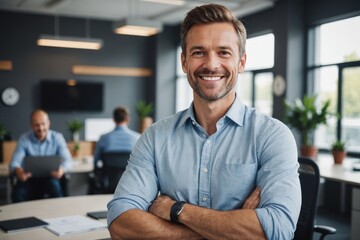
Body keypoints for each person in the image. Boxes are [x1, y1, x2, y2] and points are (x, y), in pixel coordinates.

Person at [107, 4, 301, 240]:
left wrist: (177, 210)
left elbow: (278, 228)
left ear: (241, 63)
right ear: (184, 62)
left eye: (224, 52)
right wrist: (224, 228)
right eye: (199, 52)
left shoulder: (272, 136)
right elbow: (120, 220)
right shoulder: (156, 137)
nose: (211, 64)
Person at [9, 109, 73, 202]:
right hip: (29, 178)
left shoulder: (57, 138)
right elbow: (14, 162)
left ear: (48, 123)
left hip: (51, 178)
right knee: (18, 194)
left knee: (55, 189)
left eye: (43, 124)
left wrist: (62, 170)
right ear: (31, 125)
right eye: (36, 125)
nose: (41, 128)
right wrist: (18, 171)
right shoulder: (24, 139)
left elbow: (68, 161)